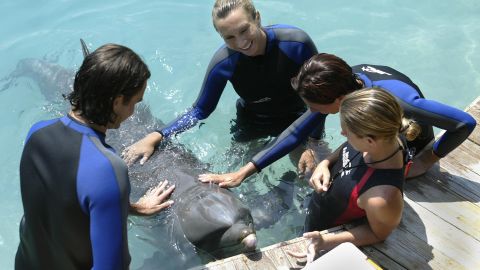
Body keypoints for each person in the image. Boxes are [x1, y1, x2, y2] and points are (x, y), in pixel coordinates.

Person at [201, 52, 477, 188]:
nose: (310, 109)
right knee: (329, 175)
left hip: (408, 141)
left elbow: (465, 123)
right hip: (373, 134)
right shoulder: (346, 83)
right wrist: (242, 173)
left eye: (313, 105)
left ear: (337, 99)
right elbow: (297, 132)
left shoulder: (397, 102)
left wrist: (427, 160)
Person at [15, 43, 175, 270]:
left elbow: (64, 200)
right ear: (118, 101)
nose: (132, 112)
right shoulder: (108, 168)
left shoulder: (37, 133)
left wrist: (130, 207)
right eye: (135, 102)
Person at [122, 0, 324, 175]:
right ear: (220, 36)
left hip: (299, 119)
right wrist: (156, 135)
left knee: (313, 173)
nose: (241, 42)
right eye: (230, 37)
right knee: (237, 176)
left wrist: (314, 142)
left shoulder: (296, 44)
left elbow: (322, 96)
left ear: (257, 18)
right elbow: (200, 110)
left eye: (244, 30)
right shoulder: (223, 63)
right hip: (253, 123)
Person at [288, 88, 420, 263]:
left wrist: (325, 241)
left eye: (347, 133)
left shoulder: (382, 197)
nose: (343, 134)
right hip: (316, 210)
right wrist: (325, 163)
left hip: (323, 235)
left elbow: (377, 233)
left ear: (369, 141)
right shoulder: (387, 136)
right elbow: (348, 146)